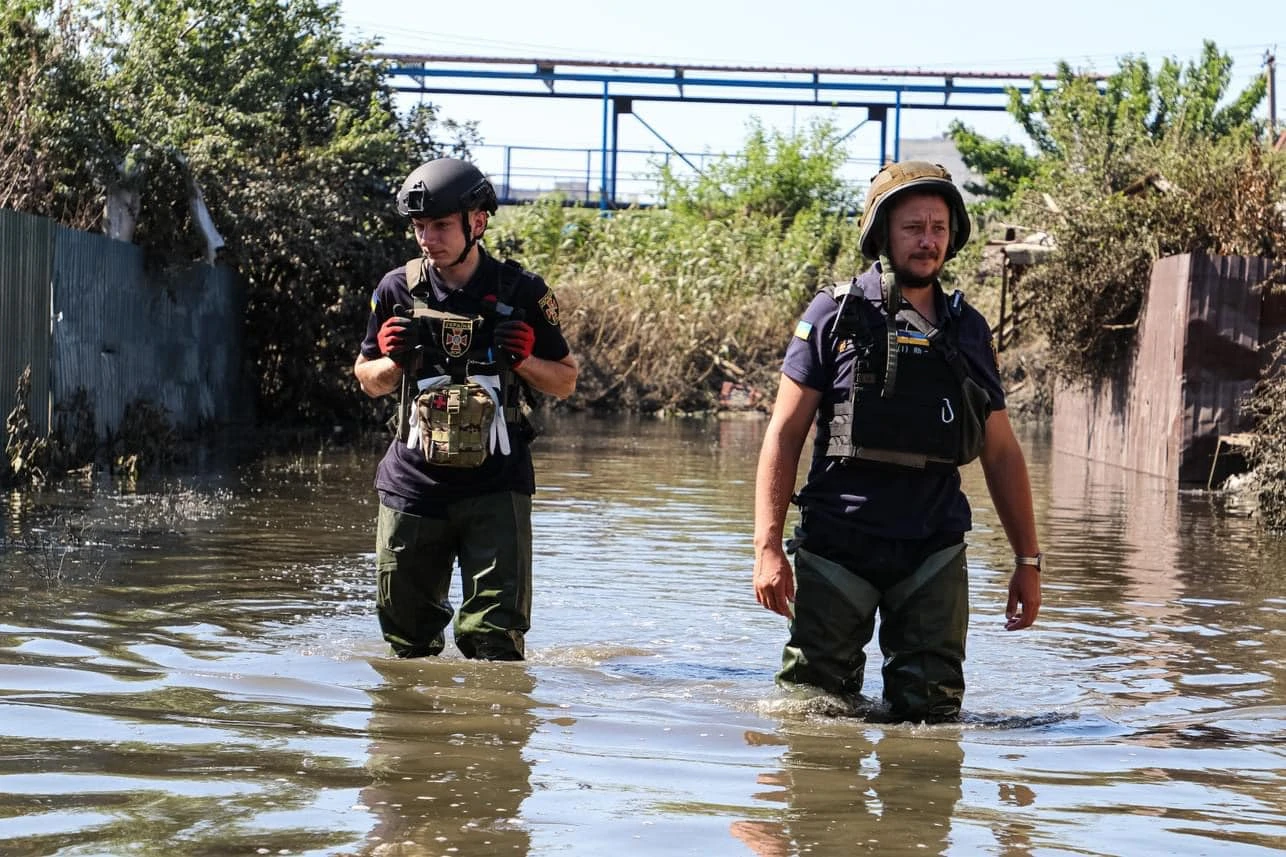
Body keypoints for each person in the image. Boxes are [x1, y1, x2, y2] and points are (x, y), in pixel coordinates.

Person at [752, 160, 1041, 722]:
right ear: (882, 232)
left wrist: (1027, 559)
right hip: (838, 545)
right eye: (913, 227)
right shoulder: (834, 314)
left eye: (938, 227)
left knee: (932, 720)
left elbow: (1001, 452)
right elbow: (784, 435)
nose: (927, 240)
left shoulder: (968, 330)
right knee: (813, 714)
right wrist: (767, 547)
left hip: (932, 549)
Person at [355, 157, 578, 661]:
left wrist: (522, 360)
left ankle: (493, 733)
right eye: (418, 227)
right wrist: (394, 363)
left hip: (496, 486)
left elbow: (565, 380)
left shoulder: (525, 293)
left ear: (477, 222)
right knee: (406, 642)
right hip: (413, 485)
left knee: (494, 643)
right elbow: (367, 380)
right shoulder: (396, 289)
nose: (427, 238)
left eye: (439, 226)